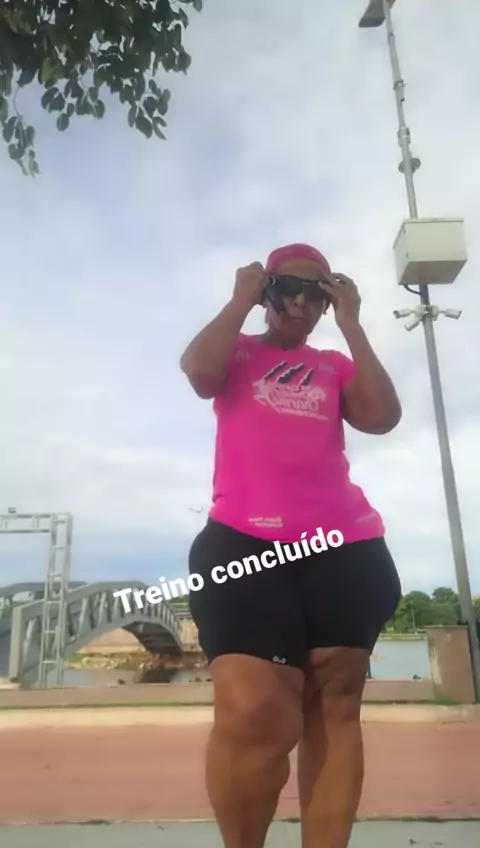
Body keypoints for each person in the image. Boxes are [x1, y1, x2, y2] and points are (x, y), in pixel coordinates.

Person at [180, 243, 402, 848]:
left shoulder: (334, 365)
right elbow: (199, 372)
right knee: (256, 710)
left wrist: (352, 323)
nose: (301, 302)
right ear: (266, 291)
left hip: (344, 543)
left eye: (316, 293)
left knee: (335, 705)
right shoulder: (237, 351)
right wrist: (239, 299)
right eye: (287, 288)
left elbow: (382, 417)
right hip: (244, 542)